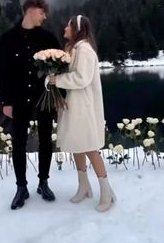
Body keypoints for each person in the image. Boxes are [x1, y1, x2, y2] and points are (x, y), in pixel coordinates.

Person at [0, 0, 61, 210]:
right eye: (42, 12)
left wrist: (59, 96)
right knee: (19, 143)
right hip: (18, 98)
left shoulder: (49, 38)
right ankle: (21, 187)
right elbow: (1, 71)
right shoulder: (8, 39)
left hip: (44, 96)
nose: (45, 16)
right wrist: (5, 100)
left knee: (45, 140)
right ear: (31, 10)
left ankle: (43, 182)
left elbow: (59, 69)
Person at [49, 15, 116, 212]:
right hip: (73, 106)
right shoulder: (73, 49)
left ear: (77, 29)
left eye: (68, 25)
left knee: (89, 148)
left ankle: (107, 191)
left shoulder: (85, 51)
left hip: (84, 108)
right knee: (77, 145)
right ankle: (84, 186)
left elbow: (82, 79)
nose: (65, 27)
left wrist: (56, 80)